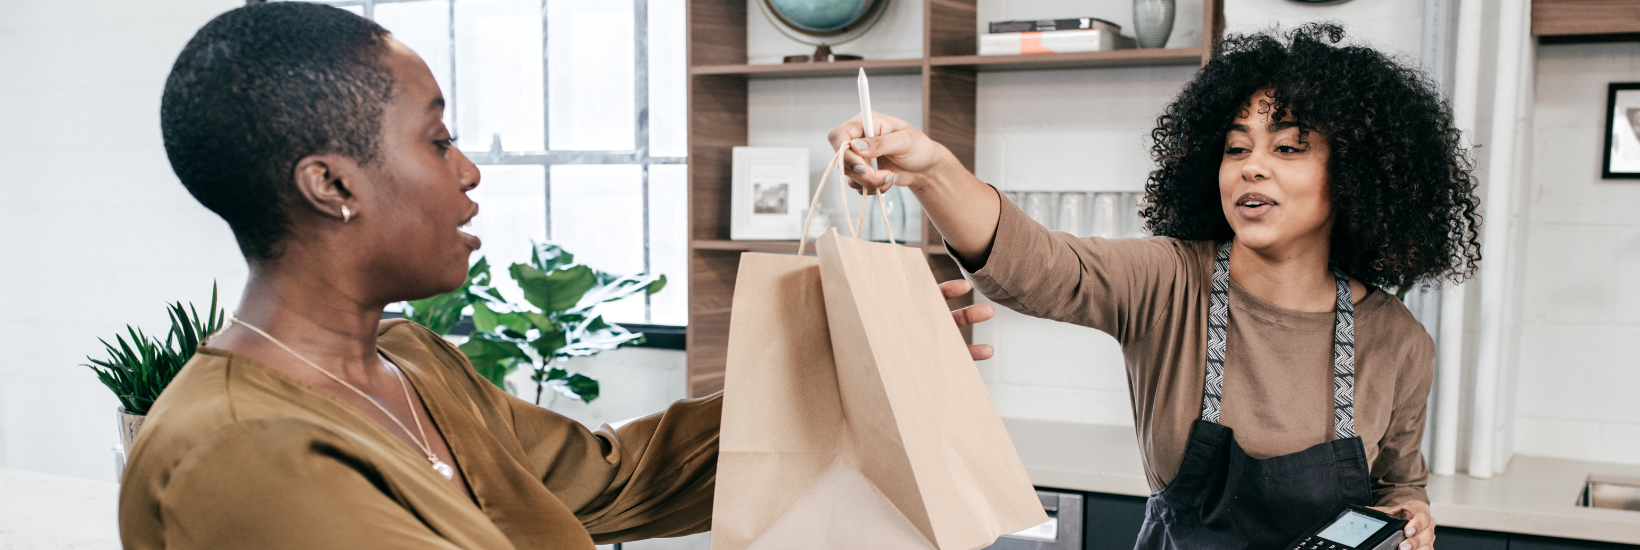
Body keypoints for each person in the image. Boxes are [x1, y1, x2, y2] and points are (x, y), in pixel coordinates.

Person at [120, 4, 995, 548]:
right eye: (437, 139)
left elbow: (614, 479)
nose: (467, 172)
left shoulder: (417, 362)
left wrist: (862, 365)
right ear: (331, 184)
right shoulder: (238, 449)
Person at [830, 24, 1481, 550]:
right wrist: (933, 172)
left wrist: (1411, 517)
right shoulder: (1173, 282)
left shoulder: (1398, 341)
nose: (1252, 165)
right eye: (1235, 148)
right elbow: (1039, 267)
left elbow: (1399, 481)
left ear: (1358, 176)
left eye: (1287, 149)